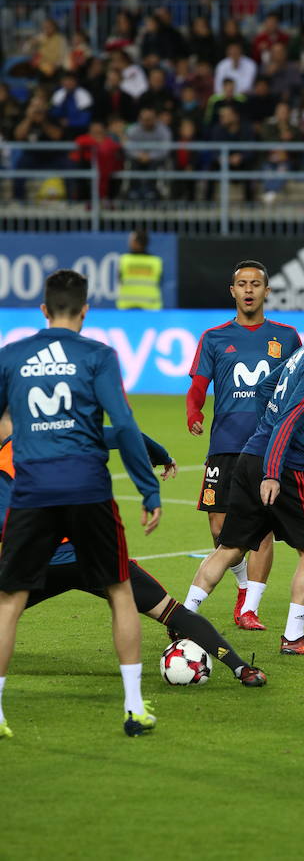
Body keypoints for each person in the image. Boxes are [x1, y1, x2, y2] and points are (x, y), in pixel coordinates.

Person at [0, 270, 161, 739]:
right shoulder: (97, 355)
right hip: (89, 489)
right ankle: (133, 707)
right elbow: (125, 424)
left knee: (9, 600)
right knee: (119, 592)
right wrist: (148, 490)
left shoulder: (12, 357)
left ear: (44, 309)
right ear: (85, 310)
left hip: (32, 492)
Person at [0, 414, 266, 690]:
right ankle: (242, 669)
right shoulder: (70, 433)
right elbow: (128, 433)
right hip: (96, 554)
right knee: (171, 612)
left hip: (42, 562)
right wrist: (161, 456)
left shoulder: (7, 459)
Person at [183, 297, 304, 655]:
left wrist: (263, 430)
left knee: (229, 547)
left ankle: (184, 618)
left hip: (251, 454)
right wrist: (272, 471)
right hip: (283, 467)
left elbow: (268, 388)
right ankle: (294, 638)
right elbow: (290, 418)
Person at [116, 230, 163, 311]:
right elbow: (159, 282)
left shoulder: (124, 260)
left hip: (127, 307)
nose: (129, 242)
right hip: (151, 307)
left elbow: (119, 280)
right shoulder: (156, 262)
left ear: (137, 243)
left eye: (132, 240)